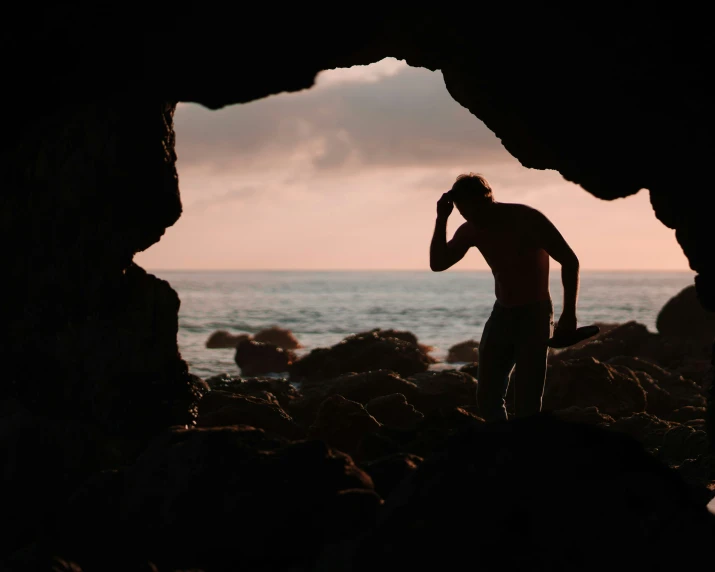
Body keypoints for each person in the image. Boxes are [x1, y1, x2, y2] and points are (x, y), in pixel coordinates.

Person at [429, 172, 580, 421]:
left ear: (488, 199)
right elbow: (438, 263)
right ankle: (503, 449)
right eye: (463, 212)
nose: (470, 218)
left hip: (535, 313)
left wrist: (569, 315)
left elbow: (569, 260)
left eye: (474, 211)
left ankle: (525, 453)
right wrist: (441, 219)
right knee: (488, 397)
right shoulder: (470, 230)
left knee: (528, 400)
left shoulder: (527, 219)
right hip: (501, 313)